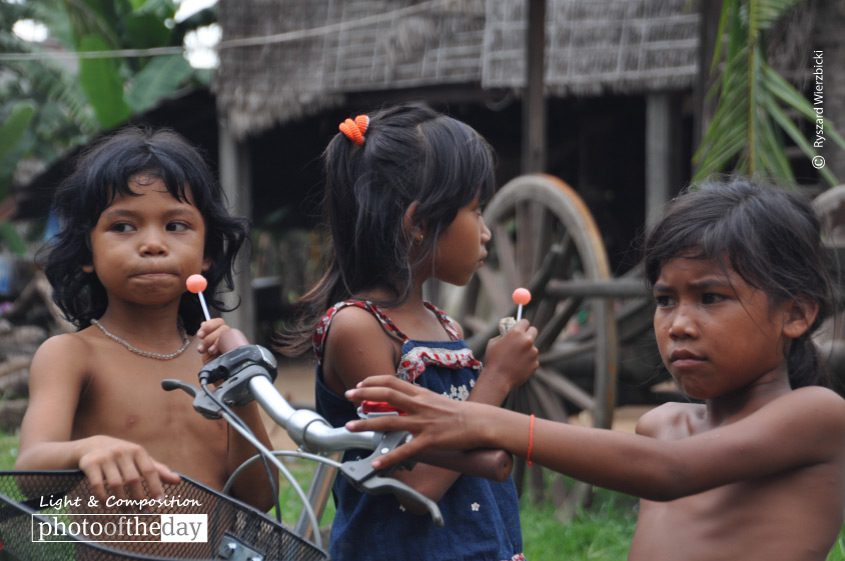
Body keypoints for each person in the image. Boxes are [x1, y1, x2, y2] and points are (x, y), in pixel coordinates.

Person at [344, 178, 845, 561]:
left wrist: (479, 419)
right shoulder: (661, 425)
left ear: (796, 314)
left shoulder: (816, 416)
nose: (680, 325)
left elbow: (673, 472)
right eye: (666, 300)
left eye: (711, 297)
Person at [279, 104, 539, 561]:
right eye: (475, 212)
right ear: (418, 223)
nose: (486, 234)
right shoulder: (359, 328)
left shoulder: (445, 325)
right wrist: (497, 378)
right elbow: (414, 485)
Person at [15, 127, 275, 511]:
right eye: (123, 226)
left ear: (206, 253)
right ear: (87, 251)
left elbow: (262, 497)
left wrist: (237, 389)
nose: (153, 244)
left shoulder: (212, 358)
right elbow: (29, 478)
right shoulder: (72, 355)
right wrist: (87, 450)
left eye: (176, 226)